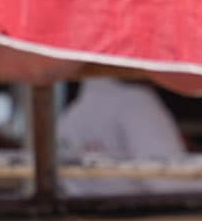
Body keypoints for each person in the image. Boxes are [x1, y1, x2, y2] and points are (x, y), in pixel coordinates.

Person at [56, 76, 193, 194]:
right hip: (137, 219)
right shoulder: (135, 101)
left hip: (81, 218)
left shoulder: (72, 113)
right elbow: (166, 181)